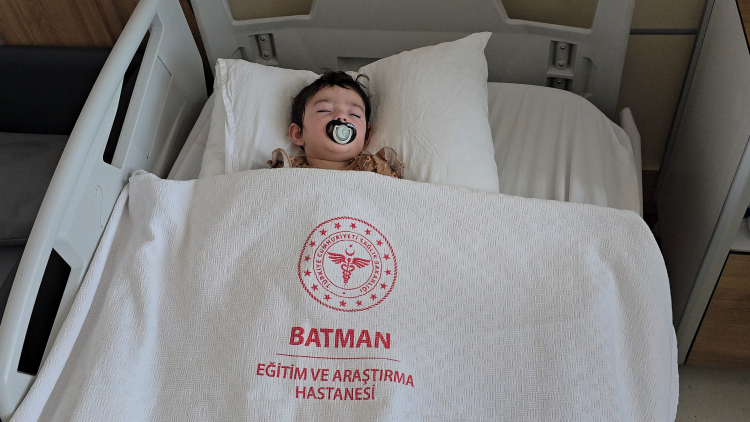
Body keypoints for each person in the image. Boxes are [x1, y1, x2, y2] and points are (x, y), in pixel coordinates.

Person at [268, 70, 403, 178]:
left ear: (366, 137)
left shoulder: (376, 170)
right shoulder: (285, 172)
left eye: (354, 114)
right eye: (324, 110)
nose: (341, 116)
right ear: (298, 134)